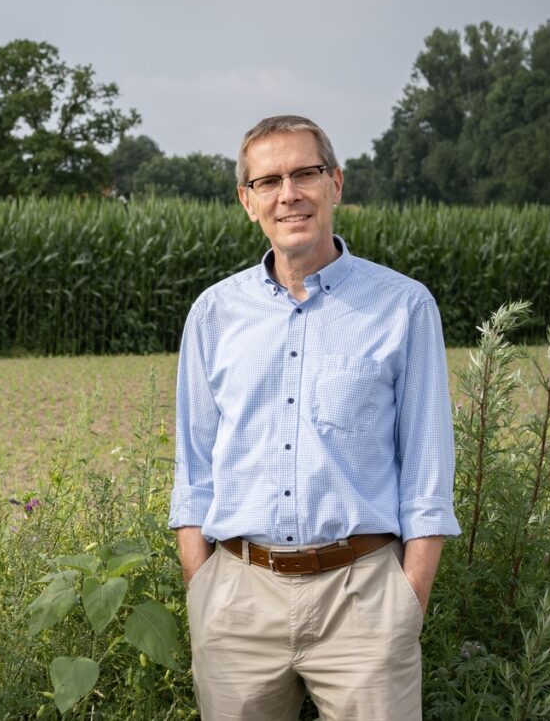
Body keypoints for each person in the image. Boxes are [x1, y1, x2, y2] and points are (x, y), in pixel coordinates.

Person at [168, 115, 460, 720]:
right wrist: (204, 589)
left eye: (305, 173)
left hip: (365, 597)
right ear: (248, 201)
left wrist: (408, 598)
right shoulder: (214, 314)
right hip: (237, 600)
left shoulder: (404, 307)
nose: (289, 194)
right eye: (269, 181)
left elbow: (427, 471)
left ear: (336, 184)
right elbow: (193, 472)